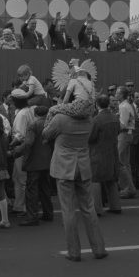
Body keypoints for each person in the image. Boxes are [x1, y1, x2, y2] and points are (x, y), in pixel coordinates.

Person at [42, 111, 108, 262]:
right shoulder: (89, 119)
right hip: (83, 165)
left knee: (68, 210)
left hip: (64, 166)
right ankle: (99, 249)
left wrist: (50, 115)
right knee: (88, 208)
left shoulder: (60, 119)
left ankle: (74, 251)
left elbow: (45, 134)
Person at [11, 105, 53, 226]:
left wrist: (15, 152)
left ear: (35, 114)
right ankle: (48, 213)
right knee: (45, 188)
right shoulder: (50, 124)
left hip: (34, 162)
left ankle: (32, 216)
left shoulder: (33, 125)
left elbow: (28, 143)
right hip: (47, 160)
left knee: (32, 190)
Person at [88, 95, 121, 215]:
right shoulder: (114, 118)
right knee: (112, 179)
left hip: (98, 152)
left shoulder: (96, 120)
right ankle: (116, 206)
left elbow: (91, 138)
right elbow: (118, 131)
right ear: (108, 104)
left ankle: (97, 209)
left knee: (95, 180)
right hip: (112, 151)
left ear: (97, 105)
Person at [116, 85, 136, 199]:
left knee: (120, 163)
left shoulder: (123, 106)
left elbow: (122, 125)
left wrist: (114, 120)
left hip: (123, 135)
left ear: (122, 95)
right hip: (128, 135)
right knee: (126, 163)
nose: (115, 95)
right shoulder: (126, 105)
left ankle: (128, 188)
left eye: (117, 93)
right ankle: (129, 187)